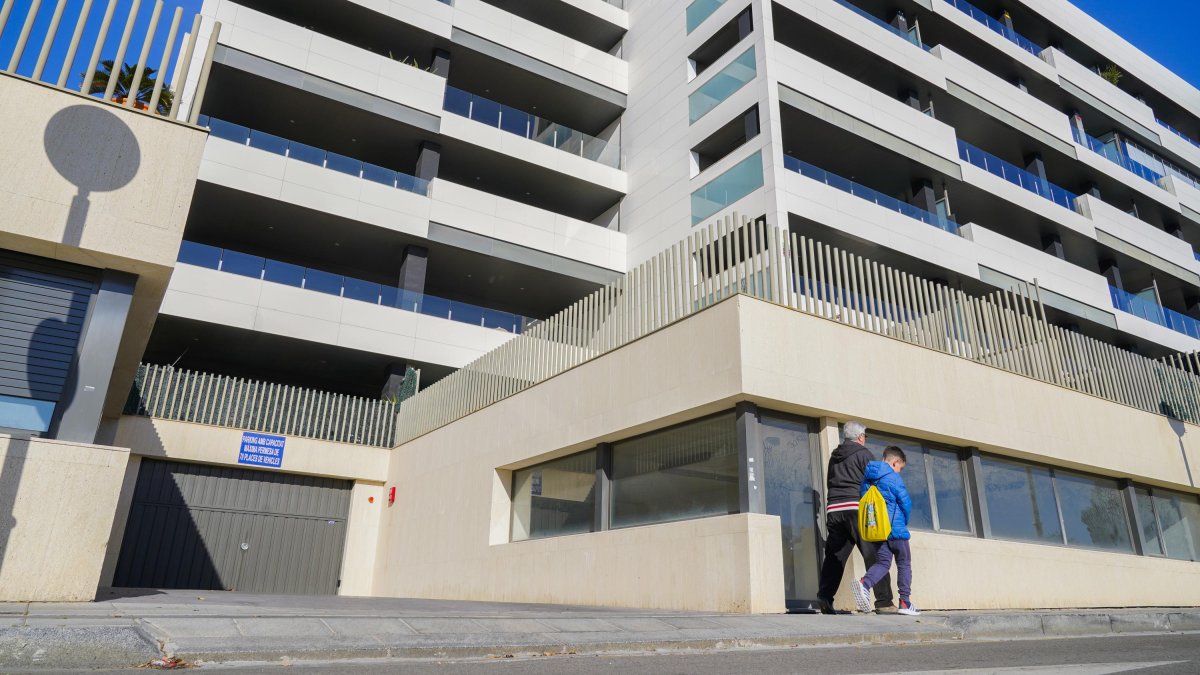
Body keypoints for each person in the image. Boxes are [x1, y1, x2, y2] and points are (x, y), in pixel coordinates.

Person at [816, 422, 895, 614]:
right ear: (860, 437)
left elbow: (830, 482)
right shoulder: (864, 454)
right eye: (864, 436)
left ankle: (825, 596)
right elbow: (879, 482)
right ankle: (884, 602)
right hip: (857, 508)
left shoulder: (834, 457)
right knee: (875, 553)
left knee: (835, 557)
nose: (864, 439)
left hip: (834, 510)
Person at [852, 446, 919, 616]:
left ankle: (864, 583)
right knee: (904, 563)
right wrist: (903, 522)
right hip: (896, 529)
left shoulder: (867, 479)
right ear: (895, 462)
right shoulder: (893, 477)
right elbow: (906, 503)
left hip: (878, 530)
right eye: (900, 468)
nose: (899, 471)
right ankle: (905, 602)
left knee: (882, 563)